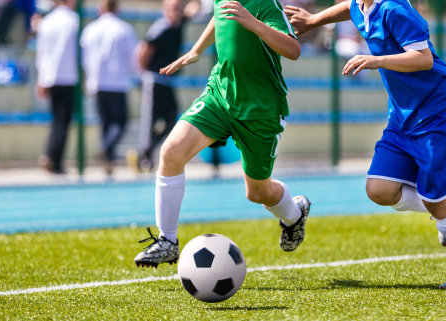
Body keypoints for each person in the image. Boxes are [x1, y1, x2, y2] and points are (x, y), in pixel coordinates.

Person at [285, 0, 446, 289]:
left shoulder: (394, 9)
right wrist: (313, 20)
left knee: (434, 199)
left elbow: (423, 59)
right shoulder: (362, 5)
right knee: (379, 189)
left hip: (439, 113)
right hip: (402, 116)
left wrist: (376, 60)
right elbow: (350, 8)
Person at [134, 0, 311, 268]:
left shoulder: (266, 4)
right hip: (220, 95)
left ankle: (294, 214)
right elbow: (220, 16)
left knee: (257, 192)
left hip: (260, 110)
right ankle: (167, 240)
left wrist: (253, 23)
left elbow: (293, 49)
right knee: (171, 152)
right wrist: (196, 50)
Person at [80, 0, 138, 175]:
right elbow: (133, 57)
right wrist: (137, 77)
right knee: (120, 122)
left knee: (105, 124)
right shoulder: (124, 29)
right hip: (117, 83)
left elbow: (84, 59)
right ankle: (106, 148)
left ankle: (108, 160)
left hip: (97, 82)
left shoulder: (89, 30)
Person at [135, 0, 194, 172]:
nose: (176, 11)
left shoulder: (179, 23)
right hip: (155, 80)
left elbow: (195, 7)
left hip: (167, 81)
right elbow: (144, 52)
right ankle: (144, 156)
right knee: (151, 120)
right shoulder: (160, 28)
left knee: (171, 120)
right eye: (172, 8)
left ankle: (148, 150)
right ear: (165, 10)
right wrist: (145, 76)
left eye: (178, 8)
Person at [35, 0, 78, 174]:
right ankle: (54, 158)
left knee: (56, 118)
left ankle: (52, 155)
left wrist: (41, 78)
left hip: (51, 76)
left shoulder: (46, 21)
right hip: (68, 76)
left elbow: (41, 53)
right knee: (63, 120)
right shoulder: (74, 20)